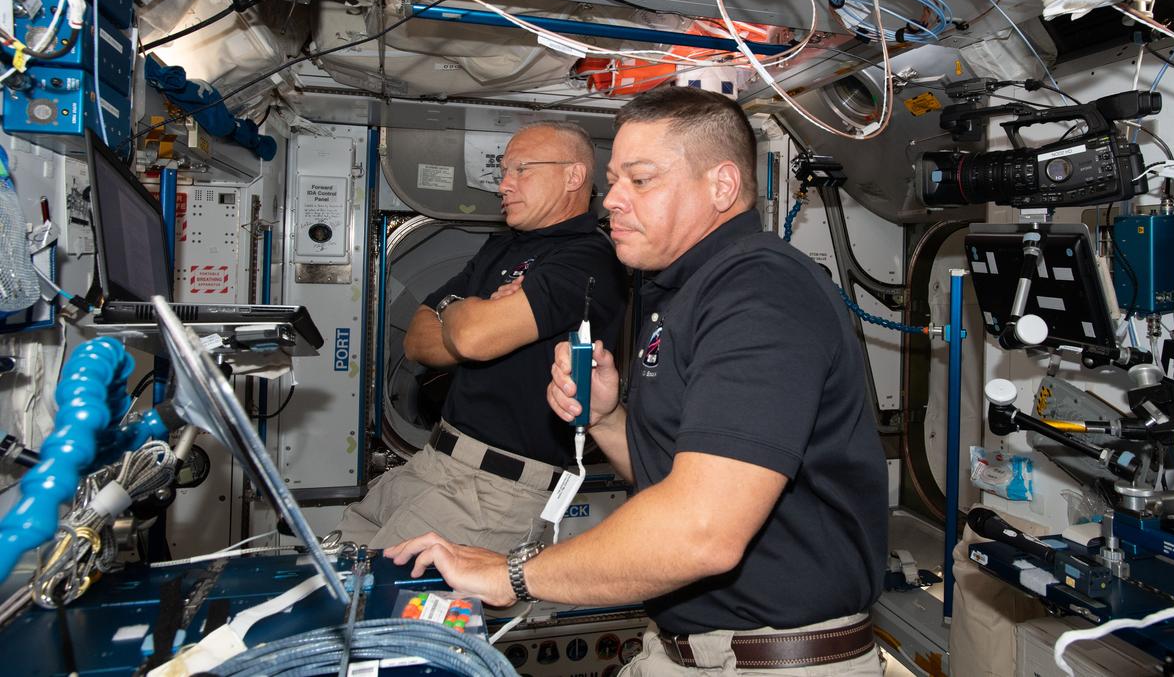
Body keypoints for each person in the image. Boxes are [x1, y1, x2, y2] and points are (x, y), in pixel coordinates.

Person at [386, 88, 888, 675]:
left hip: (774, 658)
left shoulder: (759, 293)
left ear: (721, 187)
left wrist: (510, 573)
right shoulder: (676, 289)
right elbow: (672, 476)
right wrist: (607, 418)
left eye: (641, 180)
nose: (611, 202)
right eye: (614, 179)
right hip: (688, 647)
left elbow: (702, 530)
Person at [337, 120, 628, 552]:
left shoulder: (587, 259)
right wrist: (482, 312)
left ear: (573, 176)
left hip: (491, 492)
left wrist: (458, 311)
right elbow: (417, 340)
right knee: (337, 567)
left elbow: (471, 339)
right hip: (432, 463)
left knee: (378, 610)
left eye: (520, 170)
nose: (503, 185)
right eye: (503, 171)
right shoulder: (502, 247)